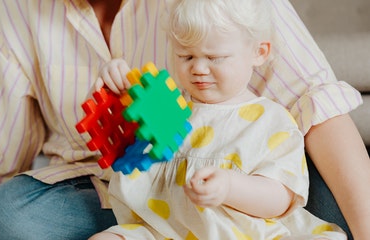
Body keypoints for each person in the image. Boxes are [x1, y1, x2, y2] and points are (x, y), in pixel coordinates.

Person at [0, 0, 368, 239]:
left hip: (246, 179)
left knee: (327, 203)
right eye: (187, 55)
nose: (197, 66)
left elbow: (316, 99)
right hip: (129, 189)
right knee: (13, 213)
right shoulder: (21, 11)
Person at [90, 0, 346, 239]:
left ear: (259, 52)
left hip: (236, 232)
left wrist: (229, 188)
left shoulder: (270, 121)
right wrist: (119, 84)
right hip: (161, 230)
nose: (199, 68)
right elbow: (130, 147)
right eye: (186, 56)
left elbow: (281, 199)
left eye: (215, 58)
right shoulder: (172, 110)